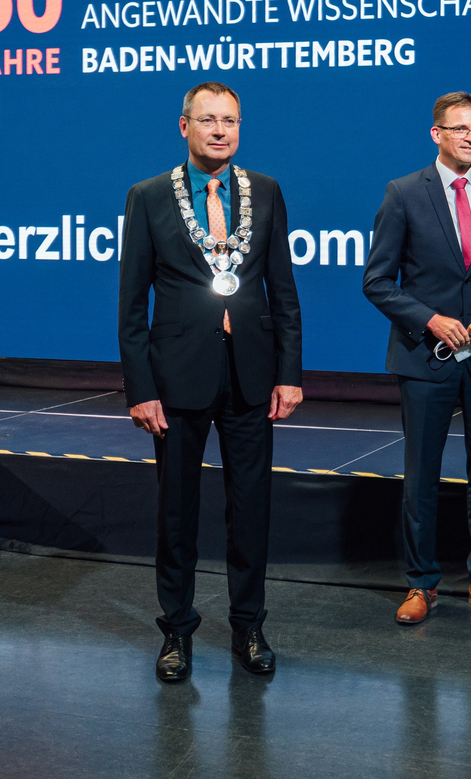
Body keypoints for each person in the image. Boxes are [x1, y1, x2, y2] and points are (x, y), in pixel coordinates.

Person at [119, 81, 303, 682]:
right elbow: (131, 305)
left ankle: (249, 626)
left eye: (229, 120)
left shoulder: (266, 191)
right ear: (185, 127)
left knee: (251, 510)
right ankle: (176, 630)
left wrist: (289, 373)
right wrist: (141, 388)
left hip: (251, 375)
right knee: (176, 513)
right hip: (176, 380)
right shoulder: (148, 196)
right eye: (207, 120)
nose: (220, 130)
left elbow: (283, 290)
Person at [361, 91, 471, 625]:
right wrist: (429, 320)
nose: (470, 137)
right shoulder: (403, 193)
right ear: (436, 134)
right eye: (460, 128)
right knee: (421, 477)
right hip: (425, 357)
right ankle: (421, 584)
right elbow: (376, 281)